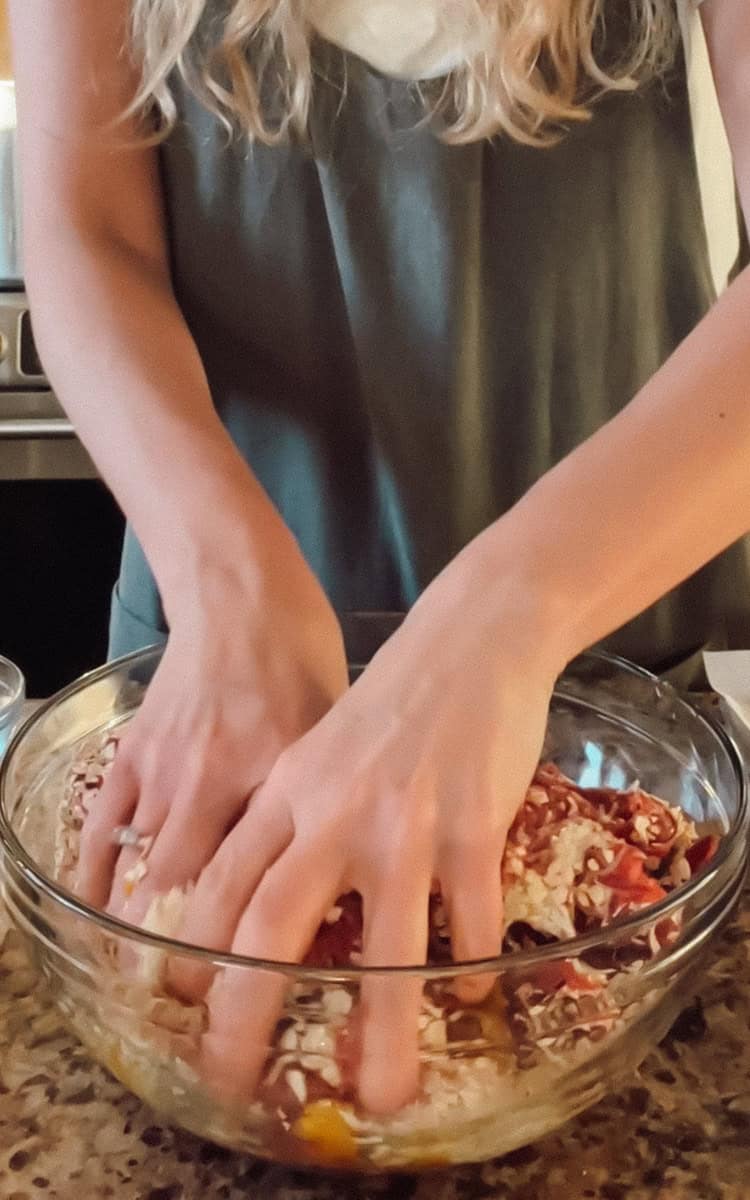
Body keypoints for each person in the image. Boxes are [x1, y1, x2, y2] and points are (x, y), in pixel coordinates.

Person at [10, 0, 750, 1115]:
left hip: (607, 710)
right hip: (208, 675)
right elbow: (88, 227)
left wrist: (504, 618)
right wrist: (230, 590)